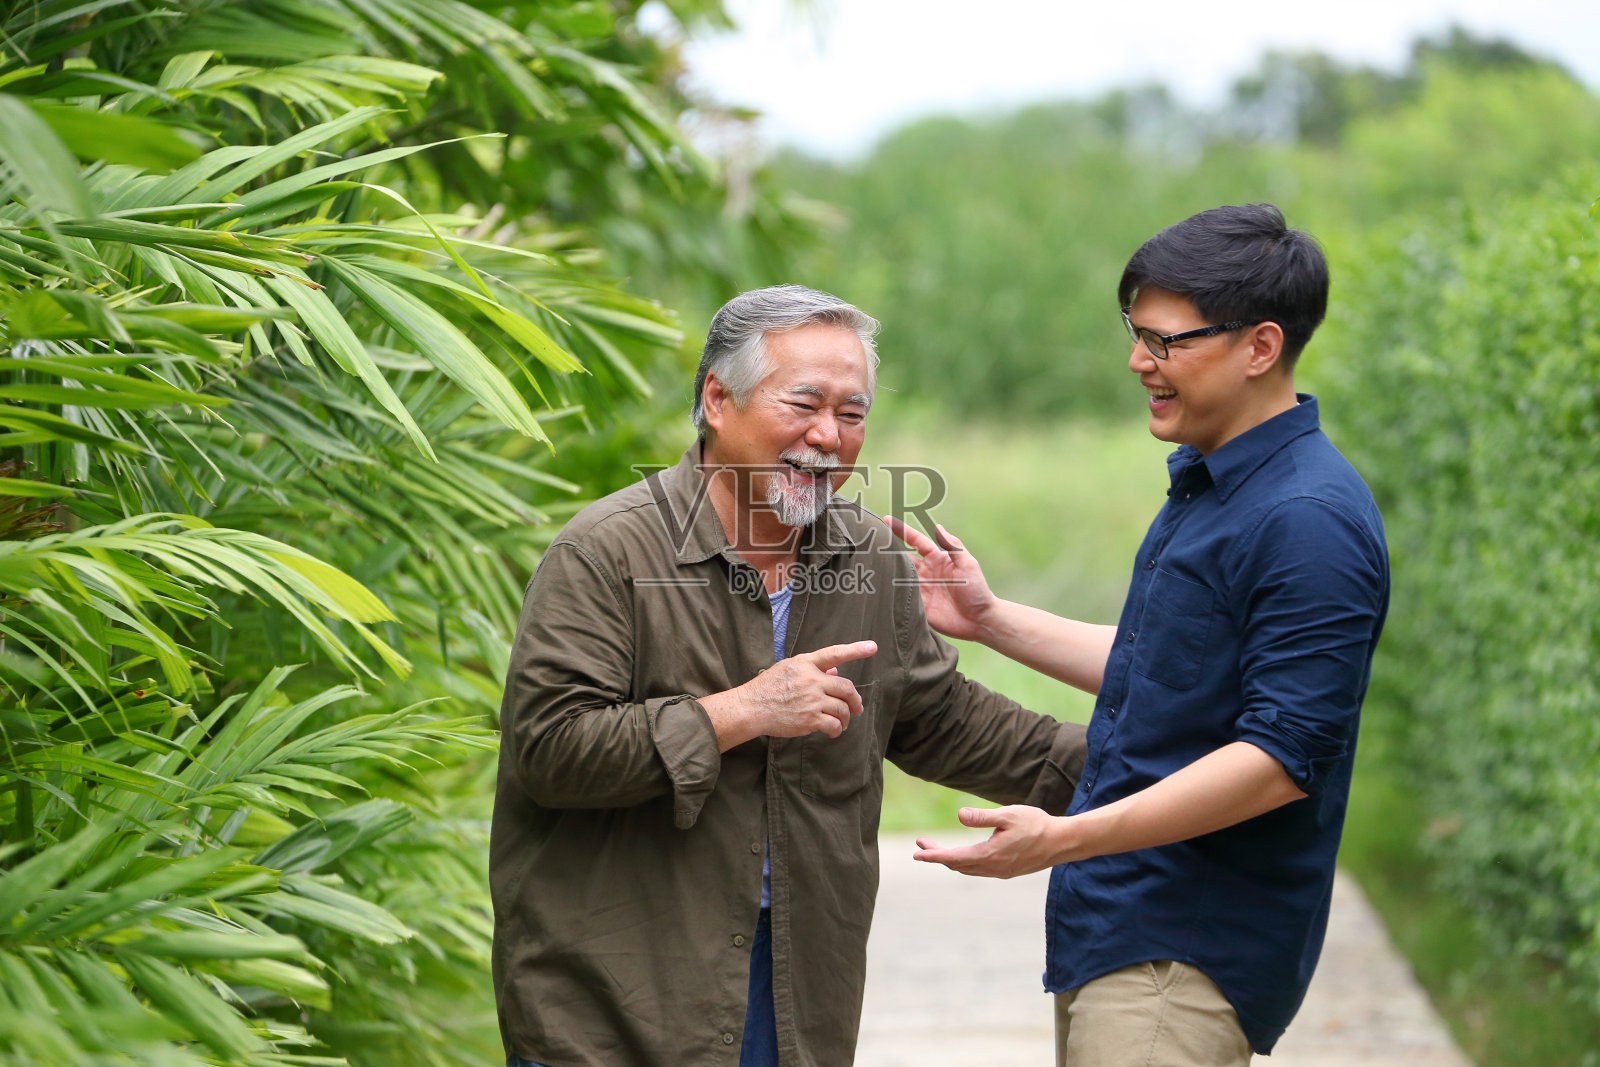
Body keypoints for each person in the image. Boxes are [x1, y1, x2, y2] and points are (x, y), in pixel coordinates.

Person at [491, 284, 1088, 1067]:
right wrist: (740, 711)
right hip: (617, 997)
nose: (827, 435)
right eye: (804, 403)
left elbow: (942, 719)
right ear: (718, 399)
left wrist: (1154, 768)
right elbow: (551, 752)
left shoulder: (869, 556)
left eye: (852, 413)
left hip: (795, 983)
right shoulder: (607, 551)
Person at [899, 204, 1390, 1066]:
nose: (1138, 361)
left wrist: (1065, 836)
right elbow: (1164, 668)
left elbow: (1279, 760)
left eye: (1165, 340)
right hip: (1125, 930)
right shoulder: (1222, 484)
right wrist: (989, 619)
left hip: (1183, 952)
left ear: (1260, 347)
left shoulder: (1308, 518)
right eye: (1135, 333)